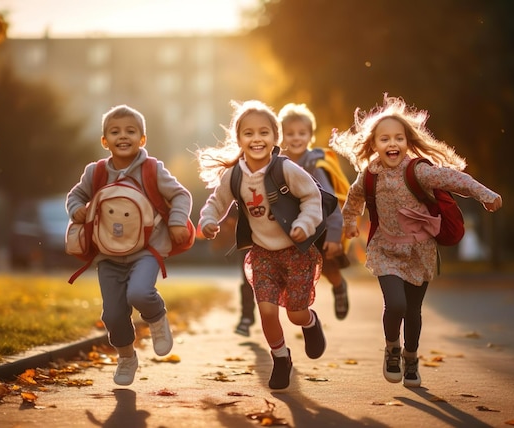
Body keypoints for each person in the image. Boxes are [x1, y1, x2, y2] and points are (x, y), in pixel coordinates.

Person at [330, 95, 503, 388]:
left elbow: (454, 180)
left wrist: (485, 195)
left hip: (420, 251)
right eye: (385, 139)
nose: (392, 143)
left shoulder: (418, 171)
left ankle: (411, 357)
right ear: (374, 145)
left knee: (413, 311)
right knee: (395, 304)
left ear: (408, 142)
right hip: (385, 248)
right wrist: (348, 224)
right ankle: (392, 349)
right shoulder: (369, 175)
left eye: (399, 138)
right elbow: (355, 199)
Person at [197, 99, 326, 390]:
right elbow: (216, 203)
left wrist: (304, 225)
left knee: (294, 312)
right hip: (263, 254)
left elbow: (312, 197)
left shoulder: (286, 169)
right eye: (249, 133)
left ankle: (309, 322)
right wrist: (208, 220)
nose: (257, 139)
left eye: (264, 132)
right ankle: (281, 358)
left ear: (275, 137)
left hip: (296, 253)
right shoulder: (235, 176)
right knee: (267, 311)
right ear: (239, 138)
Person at [66, 104, 193, 386]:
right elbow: (75, 195)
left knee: (139, 293)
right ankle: (126, 357)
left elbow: (181, 195)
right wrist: (76, 208)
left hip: (146, 250)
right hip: (107, 254)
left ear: (142, 139)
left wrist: (176, 221)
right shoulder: (95, 172)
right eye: (115, 131)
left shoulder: (152, 169)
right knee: (112, 315)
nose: (123, 136)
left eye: (130, 131)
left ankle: (157, 320)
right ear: (104, 141)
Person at [279, 102, 350, 320]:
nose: (296, 138)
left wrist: (335, 235)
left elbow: (331, 202)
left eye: (302, 133)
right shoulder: (277, 164)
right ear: (280, 136)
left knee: (329, 267)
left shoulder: (314, 165)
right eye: (290, 133)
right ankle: (301, 309)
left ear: (310, 136)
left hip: (320, 227)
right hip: (293, 227)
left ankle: (339, 287)